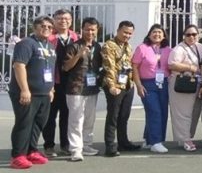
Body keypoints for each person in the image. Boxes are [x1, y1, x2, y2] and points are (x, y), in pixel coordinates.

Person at [8, 16, 57, 169]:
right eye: (43, 26)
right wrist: (24, 90)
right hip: (28, 93)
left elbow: (50, 69)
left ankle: (31, 151)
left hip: (44, 93)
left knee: (38, 124)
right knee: (24, 123)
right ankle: (18, 155)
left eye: (50, 26)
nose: (47, 29)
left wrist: (51, 88)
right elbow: (19, 66)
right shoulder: (26, 44)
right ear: (35, 27)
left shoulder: (49, 45)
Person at [63, 17, 103, 161]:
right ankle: (75, 149)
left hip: (92, 88)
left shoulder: (98, 47)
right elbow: (66, 67)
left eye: (93, 29)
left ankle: (86, 145)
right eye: (87, 29)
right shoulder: (74, 46)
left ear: (97, 30)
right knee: (76, 120)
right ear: (82, 30)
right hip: (76, 88)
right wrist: (79, 55)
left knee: (89, 120)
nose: (90, 32)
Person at [132, 24, 171, 153]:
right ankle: (156, 142)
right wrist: (138, 85)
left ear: (164, 35)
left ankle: (149, 139)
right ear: (149, 34)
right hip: (148, 83)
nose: (157, 35)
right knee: (154, 111)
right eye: (154, 32)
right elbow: (135, 67)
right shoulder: (142, 48)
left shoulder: (168, 50)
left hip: (164, 83)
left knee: (163, 112)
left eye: (160, 32)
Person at [43, 9, 77, 157]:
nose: (63, 21)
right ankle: (49, 145)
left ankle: (65, 144)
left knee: (67, 115)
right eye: (60, 18)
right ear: (54, 20)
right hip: (52, 82)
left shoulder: (77, 38)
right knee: (50, 116)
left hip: (71, 83)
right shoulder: (48, 39)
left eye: (66, 18)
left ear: (71, 21)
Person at [101, 21, 137, 157]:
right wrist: (111, 86)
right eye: (125, 32)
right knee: (113, 116)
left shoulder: (127, 46)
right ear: (118, 30)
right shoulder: (109, 46)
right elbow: (108, 67)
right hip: (115, 85)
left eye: (129, 33)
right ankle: (110, 145)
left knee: (124, 116)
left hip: (127, 84)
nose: (127, 35)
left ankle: (123, 142)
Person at [168, 25, 202, 152]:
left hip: (198, 83)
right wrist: (190, 68)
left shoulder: (200, 47)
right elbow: (172, 64)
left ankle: (187, 136)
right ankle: (185, 139)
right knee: (183, 113)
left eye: (194, 34)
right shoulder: (178, 49)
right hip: (182, 83)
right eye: (188, 35)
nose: (191, 37)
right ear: (184, 36)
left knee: (195, 112)